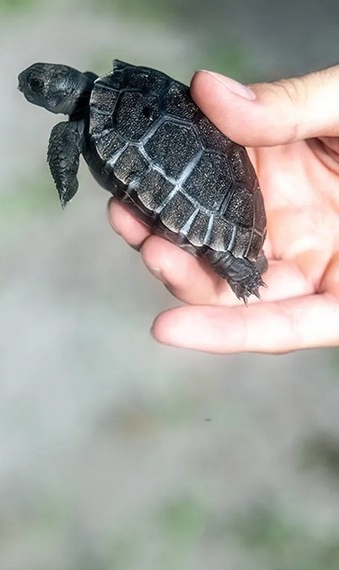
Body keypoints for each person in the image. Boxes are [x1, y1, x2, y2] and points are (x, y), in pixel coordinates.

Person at [107, 64, 339, 354]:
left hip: (211, 195)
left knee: (218, 254)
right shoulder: (126, 84)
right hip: (222, 197)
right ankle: (242, 260)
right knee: (205, 251)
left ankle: (243, 268)